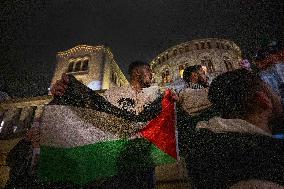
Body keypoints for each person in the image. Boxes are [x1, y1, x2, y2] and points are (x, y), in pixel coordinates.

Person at [51, 61, 176, 189]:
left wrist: (174, 101)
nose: (152, 74)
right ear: (138, 72)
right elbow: (95, 113)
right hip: (117, 158)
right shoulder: (114, 94)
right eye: (148, 70)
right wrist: (67, 95)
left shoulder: (156, 95)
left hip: (145, 160)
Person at [186, 69, 284, 188]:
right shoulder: (265, 164)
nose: (278, 96)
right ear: (262, 99)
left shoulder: (213, 152)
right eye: (273, 90)